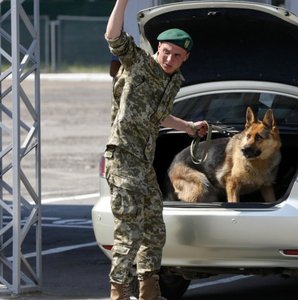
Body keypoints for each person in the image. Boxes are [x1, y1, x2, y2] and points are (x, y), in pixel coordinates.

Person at [104, 1, 207, 299]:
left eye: (177, 55)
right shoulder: (138, 62)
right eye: (166, 51)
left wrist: (187, 127)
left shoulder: (172, 80)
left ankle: (149, 292)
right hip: (123, 156)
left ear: (185, 57)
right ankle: (119, 293)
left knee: (154, 229)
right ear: (158, 48)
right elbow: (112, 36)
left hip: (143, 162)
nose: (170, 58)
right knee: (128, 231)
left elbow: (158, 114)